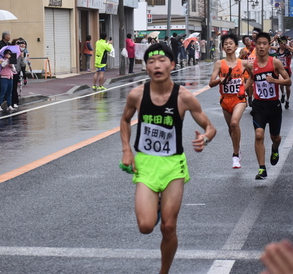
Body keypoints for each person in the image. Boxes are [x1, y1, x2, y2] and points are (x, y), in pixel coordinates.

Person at [120, 43, 216, 274]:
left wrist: (205, 138)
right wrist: (126, 150)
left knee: (169, 226)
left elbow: (209, 126)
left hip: (174, 166)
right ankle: (157, 206)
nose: (156, 65)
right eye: (151, 62)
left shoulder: (184, 97)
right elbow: (125, 120)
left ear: (172, 65)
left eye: (162, 60)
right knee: (145, 226)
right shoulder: (137, 95)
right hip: (146, 165)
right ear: (146, 68)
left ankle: (164, 271)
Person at [245, 32, 291, 180]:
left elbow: (288, 81)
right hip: (259, 106)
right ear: (256, 45)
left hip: (273, 105)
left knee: (275, 137)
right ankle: (262, 168)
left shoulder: (275, 62)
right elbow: (252, 81)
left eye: (265, 43)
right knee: (259, 135)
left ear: (268, 45)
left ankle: (275, 148)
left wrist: (275, 81)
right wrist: (243, 90)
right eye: (259, 43)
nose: (262, 46)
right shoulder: (252, 66)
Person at [209, 34, 252, 169]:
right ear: (222, 47)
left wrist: (244, 89)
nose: (228, 45)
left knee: (234, 122)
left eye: (231, 43)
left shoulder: (243, 63)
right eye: (225, 44)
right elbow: (211, 83)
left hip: (239, 99)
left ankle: (235, 156)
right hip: (225, 100)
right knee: (231, 128)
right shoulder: (219, 64)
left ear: (236, 46)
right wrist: (219, 80)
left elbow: (253, 76)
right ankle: (238, 149)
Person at [275, 36, 292, 109]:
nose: (282, 45)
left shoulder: (288, 51)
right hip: (279, 71)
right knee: (281, 83)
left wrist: (289, 47)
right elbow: (268, 46)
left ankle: (287, 100)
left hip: (287, 70)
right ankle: (283, 94)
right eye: (281, 43)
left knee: (288, 88)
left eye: (284, 43)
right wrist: (274, 39)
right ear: (279, 44)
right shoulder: (277, 50)